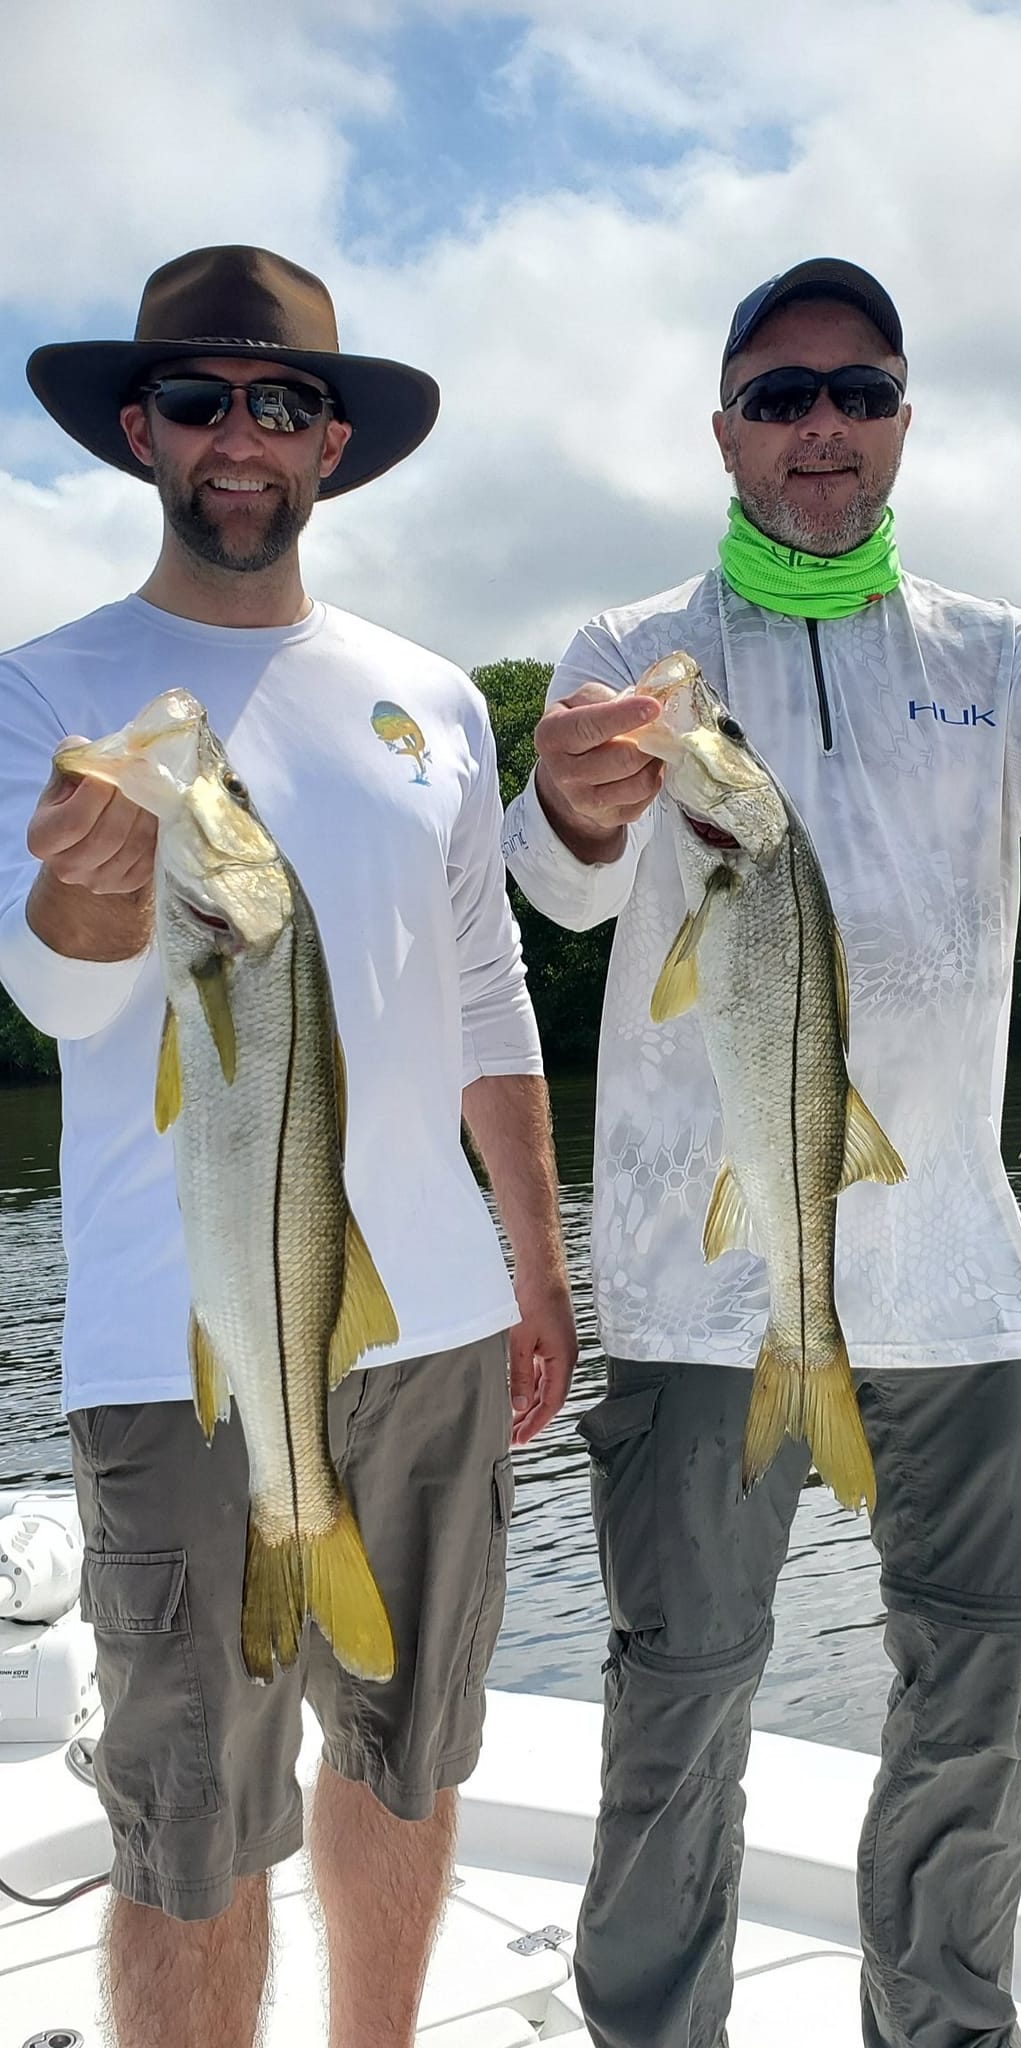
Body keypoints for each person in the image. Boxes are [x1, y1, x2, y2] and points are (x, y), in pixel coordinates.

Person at [502, 256, 1021, 2048]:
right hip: (701, 1289)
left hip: (969, 1276)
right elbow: (556, 882)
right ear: (724, 430)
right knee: (678, 1693)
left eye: (857, 392)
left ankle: (938, 2026)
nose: (820, 426)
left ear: (903, 422)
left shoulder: (1000, 655)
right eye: (780, 396)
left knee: (975, 1690)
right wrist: (564, 798)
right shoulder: (633, 652)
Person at [0, 244, 576, 2048]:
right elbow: (55, 993)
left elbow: (490, 1001)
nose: (237, 438)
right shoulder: (49, 694)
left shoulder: (435, 699)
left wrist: (540, 1272)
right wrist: (95, 906)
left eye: (279, 404)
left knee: (408, 1760)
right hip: (182, 1359)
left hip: (438, 1336)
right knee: (193, 1825)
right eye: (197, 401)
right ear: (136, 430)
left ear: (332, 443)